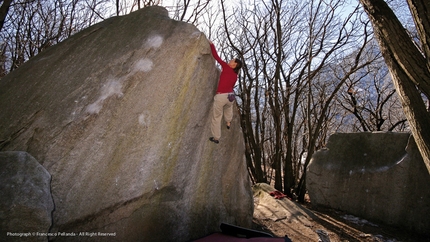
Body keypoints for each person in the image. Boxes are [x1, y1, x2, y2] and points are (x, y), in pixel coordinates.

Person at [208, 40, 242, 144]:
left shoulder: (227, 68)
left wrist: (212, 44)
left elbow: (216, 56)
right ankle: (228, 121)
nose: (230, 60)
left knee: (217, 117)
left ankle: (216, 137)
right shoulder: (235, 75)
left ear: (234, 64)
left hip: (221, 96)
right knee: (228, 107)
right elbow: (231, 85)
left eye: (232, 60)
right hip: (231, 96)